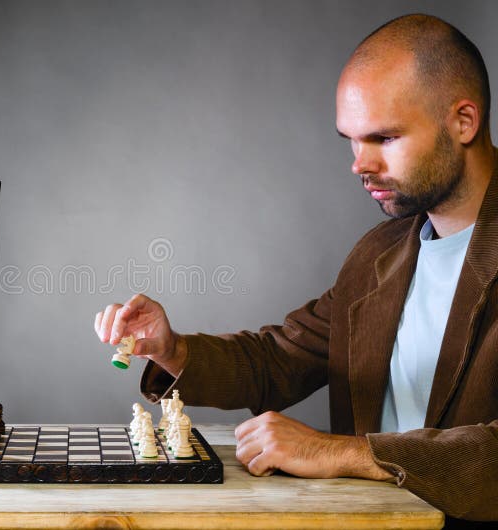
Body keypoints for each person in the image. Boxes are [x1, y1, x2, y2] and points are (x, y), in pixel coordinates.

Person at [94, 14, 497, 527]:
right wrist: (173, 349)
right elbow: (279, 359)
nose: (359, 163)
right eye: (351, 139)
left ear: (464, 120)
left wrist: (342, 452)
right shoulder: (380, 253)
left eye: (385, 138)